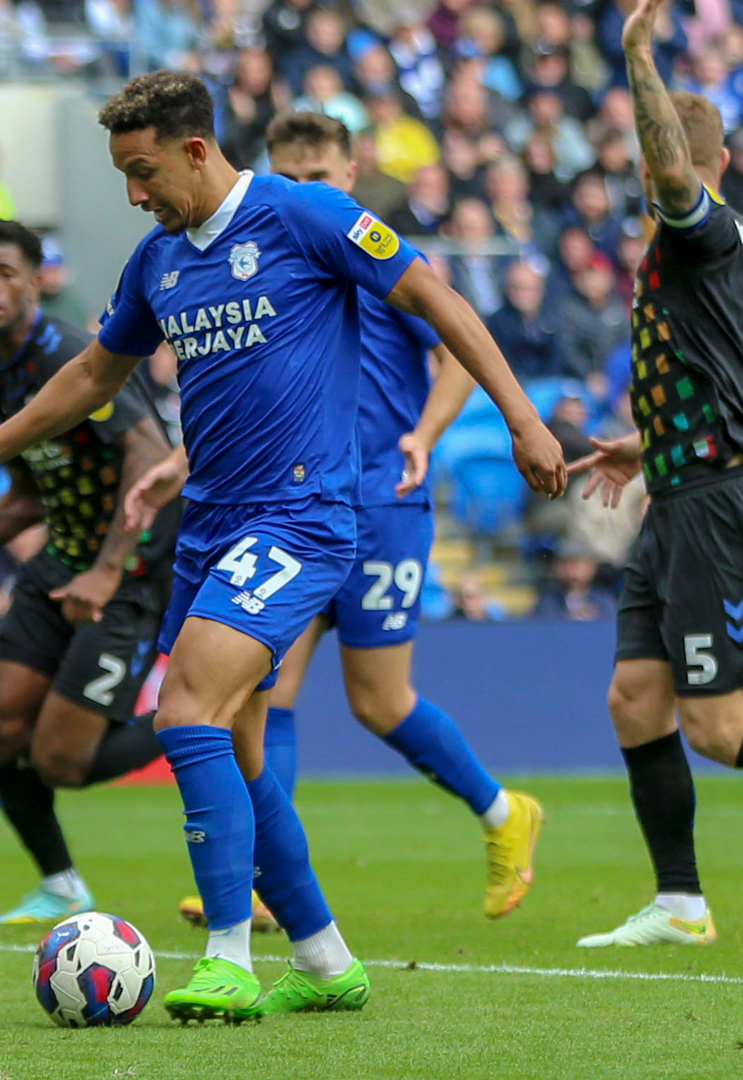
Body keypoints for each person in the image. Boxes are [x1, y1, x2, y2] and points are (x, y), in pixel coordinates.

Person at [0, 72, 565, 1022]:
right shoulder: (158, 262)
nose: (134, 196)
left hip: (301, 517)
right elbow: (95, 373)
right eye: (121, 178)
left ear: (194, 149)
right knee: (245, 751)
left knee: (187, 717)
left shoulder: (307, 216)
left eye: (142, 173)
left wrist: (521, 416)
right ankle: (324, 955)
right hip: (209, 528)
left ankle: (229, 956)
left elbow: (437, 299)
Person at [165, 113, 540, 930]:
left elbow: (452, 349)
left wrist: (424, 434)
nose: (308, 186)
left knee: (379, 702)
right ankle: (265, 880)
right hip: (292, 511)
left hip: (380, 503)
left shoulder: (374, 257)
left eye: (322, 174)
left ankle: (502, 813)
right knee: (271, 689)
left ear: (352, 171)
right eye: (291, 172)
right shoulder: (270, 260)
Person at [0, 221, 178, 927]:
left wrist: (110, 571)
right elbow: (27, 498)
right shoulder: (8, 377)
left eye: (3, 273)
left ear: (33, 280)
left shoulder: (77, 357)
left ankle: (200, 719)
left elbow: (147, 458)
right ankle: (60, 884)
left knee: (61, 760)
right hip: (63, 560)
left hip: (130, 565)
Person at [564, 0, 743, 949]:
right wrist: (651, 440)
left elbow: (675, 170)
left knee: (718, 731)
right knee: (636, 699)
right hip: (673, 491)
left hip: (712, 504)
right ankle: (680, 901)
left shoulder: (701, 235)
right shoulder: (697, 262)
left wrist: (636, 49)